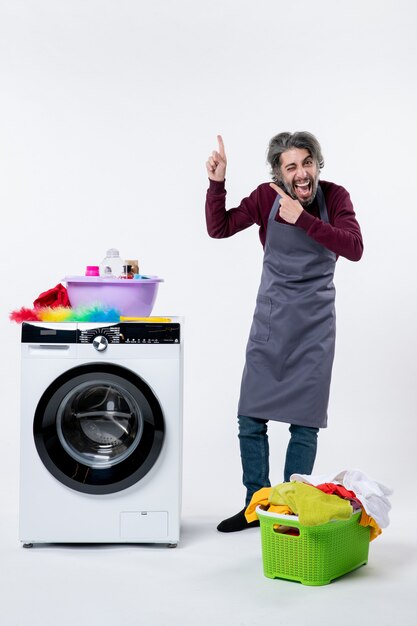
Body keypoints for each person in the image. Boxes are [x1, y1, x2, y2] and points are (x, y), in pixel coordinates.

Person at [205, 132, 363, 532]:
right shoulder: (264, 197)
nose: (301, 173)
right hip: (272, 321)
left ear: (317, 165)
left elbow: (354, 247)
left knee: (304, 424)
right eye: (291, 166)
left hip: (314, 328)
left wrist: (304, 219)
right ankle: (256, 505)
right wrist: (217, 183)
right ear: (280, 172)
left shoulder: (336, 197)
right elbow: (219, 228)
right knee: (250, 418)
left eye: (307, 163)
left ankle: (290, 511)